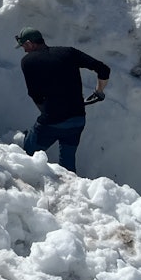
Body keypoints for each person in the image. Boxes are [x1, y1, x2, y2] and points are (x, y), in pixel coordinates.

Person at [16, 27, 110, 173]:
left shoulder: (28, 61)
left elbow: (34, 94)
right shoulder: (69, 52)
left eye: (24, 46)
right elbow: (103, 69)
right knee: (68, 164)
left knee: (26, 155)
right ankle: (72, 188)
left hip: (51, 122)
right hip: (77, 120)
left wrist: (48, 112)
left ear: (30, 43)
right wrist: (99, 92)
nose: (24, 50)